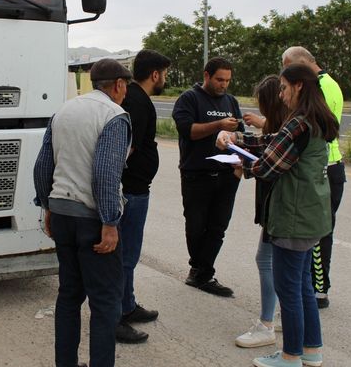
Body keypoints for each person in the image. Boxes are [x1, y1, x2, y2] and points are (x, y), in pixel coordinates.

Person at [217, 63, 339, 367]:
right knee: (304, 287)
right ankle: (312, 350)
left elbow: (268, 166)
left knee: (290, 290)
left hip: (293, 217)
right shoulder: (316, 119)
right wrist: (239, 140)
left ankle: (290, 356)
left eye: (284, 87)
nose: (281, 93)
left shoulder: (299, 122)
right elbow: (273, 142)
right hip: (311, 215)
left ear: (298, 86)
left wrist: (240, 164)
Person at [33, 58, 133, 367]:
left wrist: (47, 205)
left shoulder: (64, 111)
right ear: (117, 85)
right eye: (125, 86)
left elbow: (42, 166)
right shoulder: (114, 115)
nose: (125, 92)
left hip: (62, 213)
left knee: (69, 296)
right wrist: (110, 222)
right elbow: (105, 174)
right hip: (92, 219)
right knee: (105, 303)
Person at [171, 57, 243, 297]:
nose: (224, 85)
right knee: (196, 226)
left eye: (228, 81)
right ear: (207, 76)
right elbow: (188, 131)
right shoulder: (189, 99)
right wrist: (218, 124)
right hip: (197, 174)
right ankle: (199, 270)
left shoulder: (231, 101)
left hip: (226, 175)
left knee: (217, 227)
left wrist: (235, 140)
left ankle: (203, 273)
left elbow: (240, 135)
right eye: (219, 80)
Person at [282, 46, 346, 309]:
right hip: (326, 164)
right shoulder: (328, 83)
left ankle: (318, 289)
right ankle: (314, 287)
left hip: (323, 166)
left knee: (318, 232)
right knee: (319, 230)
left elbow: (311, 125)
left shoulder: (322, 87)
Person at [115, 50, 171, 344]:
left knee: (129, 255)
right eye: (164, 73)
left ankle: (128, 304)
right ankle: (117, 319)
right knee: (125, 257)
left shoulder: (136, 98)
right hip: (131, 192)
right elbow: (127, 148)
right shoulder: (138, 102)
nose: (165, 79)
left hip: (137, 189)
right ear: (155, 75)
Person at [234, 75, 290, 348]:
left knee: (267, 261)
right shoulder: (288, 128)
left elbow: (266, 161)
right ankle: (279, 318)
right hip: (281, 209)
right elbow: (263, 145)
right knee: (277, 263)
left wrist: (241, 161)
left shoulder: (287, 133)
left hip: (280, 209)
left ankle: (267, 324)